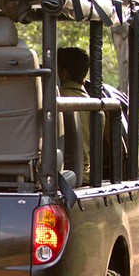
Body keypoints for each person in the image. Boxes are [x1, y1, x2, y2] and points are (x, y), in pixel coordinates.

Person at [58, 47, 95, 184]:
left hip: (60, 177)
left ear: (63, 74)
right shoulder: (96, 107)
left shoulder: (54, 101)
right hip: (85, 178)